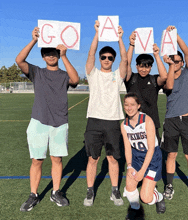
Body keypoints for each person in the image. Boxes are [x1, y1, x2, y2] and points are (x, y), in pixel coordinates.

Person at [16, 27, 79, 211]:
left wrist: (65, 56)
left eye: (54, 53)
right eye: (47, 53)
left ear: (58, 55)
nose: (51, 56)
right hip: (38, 122)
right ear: (43, 56)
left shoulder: (64, 74)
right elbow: (19, 60)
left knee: (57, 159)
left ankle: (56, 192)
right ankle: (33, 194)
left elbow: (75, 80)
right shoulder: (37, 72)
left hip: (60, 123)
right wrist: (34, 40)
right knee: (37, 160)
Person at [83, 20, 127, 206]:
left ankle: (114, 191)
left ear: (113, 60)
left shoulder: (117, 76)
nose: (107, 60)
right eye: (104, 57)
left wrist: (120, 38)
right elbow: (91, 53)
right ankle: (90, 191)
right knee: (93, 158)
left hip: (112, 122)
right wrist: (97, 33)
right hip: (94, 121)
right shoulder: (93, 74)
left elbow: (125, 60)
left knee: (113, 158)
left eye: (110, 58)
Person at [161, 25, 188, 203]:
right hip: (171, 120)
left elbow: (187, 52)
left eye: (179, 61)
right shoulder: (167, 76)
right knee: (171, 155)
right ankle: (169, 185)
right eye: (174, 61)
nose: (178, 63)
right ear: (170, 63)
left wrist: (175, 35)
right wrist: (170, 66)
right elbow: (168, 86)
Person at [121, 93, 166, 219]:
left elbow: (151, 148)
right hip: (136, 158)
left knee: (146, 198)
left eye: (132, 105)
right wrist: (130, 166)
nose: (129, 108)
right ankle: (135, 210)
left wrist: (141, 172)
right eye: (126, 105)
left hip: (152, 159)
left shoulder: (147, 120)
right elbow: (127, 148)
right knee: (130, 188)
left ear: (138, 106)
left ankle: (158, 196)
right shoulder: (124, 125)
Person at [125, 31, 168, 142]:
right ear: (137, 66)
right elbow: (126, 65)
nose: (144, 69)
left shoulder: (153, 79)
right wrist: (131, 45)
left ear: (151, 68)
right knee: (134, 154)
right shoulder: (131, 78)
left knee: (153, 153)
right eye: (141, 66)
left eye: (147, 67)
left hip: (151, 122)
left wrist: (157, 55)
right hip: (132, 123)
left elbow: (164, 77)